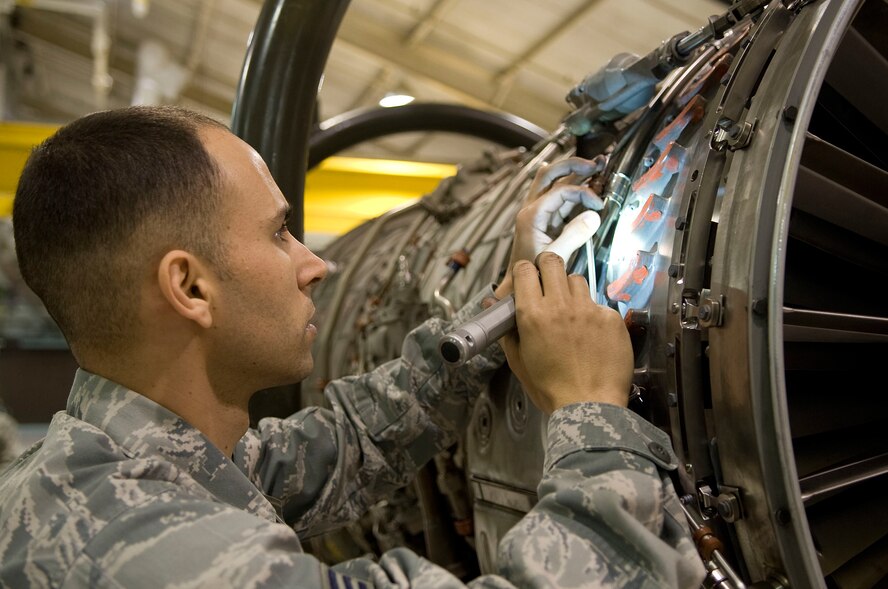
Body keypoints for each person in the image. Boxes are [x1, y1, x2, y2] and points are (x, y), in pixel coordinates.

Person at [0, 106, 705, 588]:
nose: (316, 264)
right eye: (279, 233)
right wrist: (591, 413)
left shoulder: (126, 459)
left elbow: (348, 441)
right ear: (190, 286)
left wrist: (504, 302)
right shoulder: (155, 552)